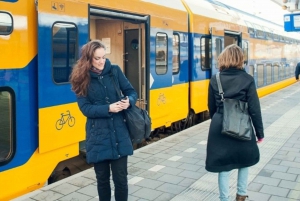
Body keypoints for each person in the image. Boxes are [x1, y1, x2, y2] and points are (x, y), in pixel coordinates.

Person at [70, 40, 137, 201]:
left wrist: (129, 101)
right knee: (102, 181)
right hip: (97, 136)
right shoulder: (81, 78)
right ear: (88, 59)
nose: (102, 62)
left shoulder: (114, 71)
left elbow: (131, 91)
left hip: (119, 134)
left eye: (103, 57)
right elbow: (85, 108)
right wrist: (108, 108)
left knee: (121, 180)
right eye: (97, 58)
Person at [205, 44, 264, 201]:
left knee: (223, 165)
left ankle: (224, 199)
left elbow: (211, 107)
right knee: (244, 159)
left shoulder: (215, 79)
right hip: (242, 125)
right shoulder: (248, 79)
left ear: (223, 59)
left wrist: (220, 121)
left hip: (220, 126)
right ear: (240, 60)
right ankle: (241, 195)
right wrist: (260, 133)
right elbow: (254, 109)